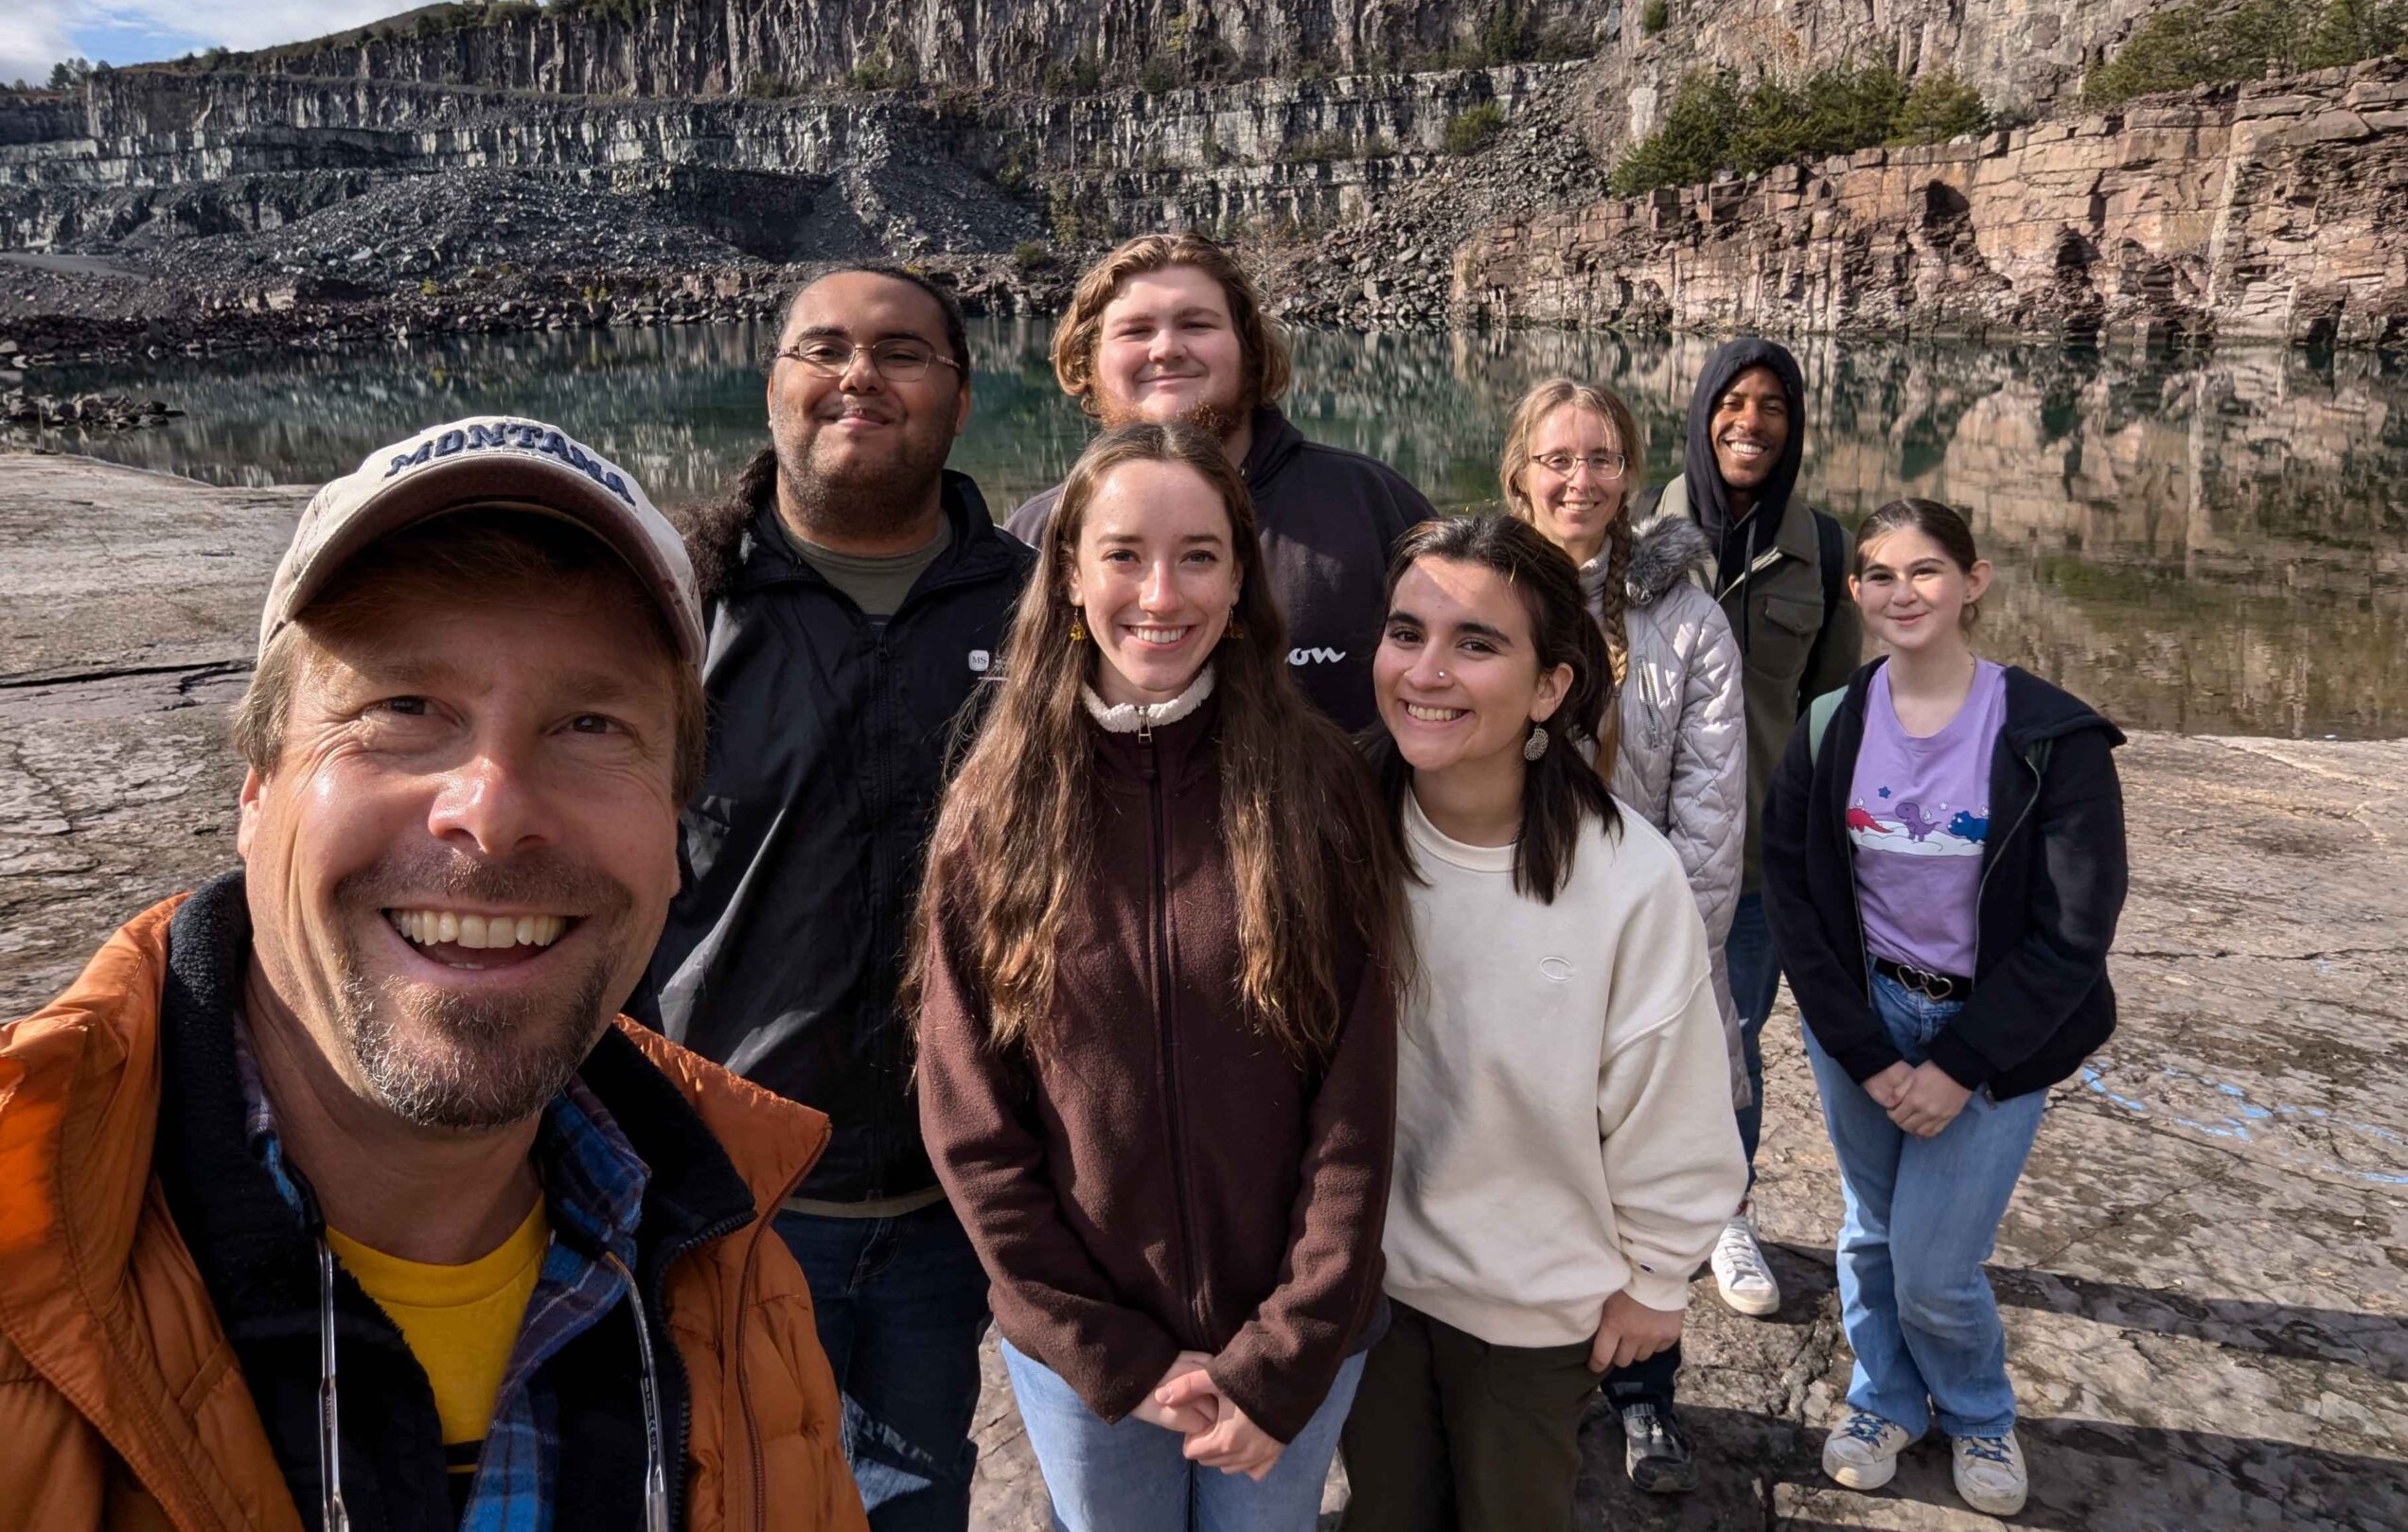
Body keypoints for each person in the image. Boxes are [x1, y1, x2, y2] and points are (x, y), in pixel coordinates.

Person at [0, 415, 864, 1532]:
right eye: (403, 710)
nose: (492, 812)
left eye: (591, 723)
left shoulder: (738, 1263)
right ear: (255, 791)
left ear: (672, 823)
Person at [914, 421, 1404, 1532]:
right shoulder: (995, 808)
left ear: (1241, 581)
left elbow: (1357, 1107)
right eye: (1125, 552)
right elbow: (972, 1126)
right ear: (1071, 575)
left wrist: (1286, 1354)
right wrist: (1112, 1356)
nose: (1159, 592)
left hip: (1291, 1349)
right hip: (1086, 1364)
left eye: (1198, 555)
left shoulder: (1316, 788)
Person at [631, 268, 1033, 1531]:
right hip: (731, 1201)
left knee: (918, 1494)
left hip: (947, 1196)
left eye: (903, 352)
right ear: (774, 385)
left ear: (961, 398)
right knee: (730, 1493)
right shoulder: (672, 603)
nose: (861, 374)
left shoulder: (1038, 615)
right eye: (826, 348)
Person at [1338, 514, 1746, 1532]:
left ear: (1552, 685)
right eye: (1405, 632)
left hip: (1533, 1309)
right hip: (1366, 1284)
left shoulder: (1625, 875)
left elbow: (1670, 1094)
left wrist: (1657, 1276)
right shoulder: (1334, 823)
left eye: (1477, 643)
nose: (1426, 671)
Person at [1763, 499, 2127, 1519]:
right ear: (1855, 594)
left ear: (1974, 582)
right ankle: (1885, 1400)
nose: (1901, 593)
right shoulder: (1832, 725)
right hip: (1868, 1021)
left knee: (1933, 1265)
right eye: (1878, 575)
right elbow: (1795, 894)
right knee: (1871, 1231)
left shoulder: (2051, 737)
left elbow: (2074, 930)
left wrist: (1961, 1061)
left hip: (1995, 1036)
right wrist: (1863, 1049)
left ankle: (1977, 1411)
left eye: (1925, 571)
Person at [1500, 379, 1747, 1495]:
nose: (1579, 481)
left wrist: (1678, 970)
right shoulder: (1480, 589)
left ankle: (1645, 1393)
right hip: (1501, 929)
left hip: (1635, 943)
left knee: (1639, 1161)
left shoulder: (1686, 619)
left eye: (1600, 459)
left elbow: (1708, 807)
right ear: (1519, 473)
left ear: (1629, 473)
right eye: (1557, 460)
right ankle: (1521, 1376)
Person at [1004, 231, 1433, 731]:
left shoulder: (1372, 504)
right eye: (1135, 330)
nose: (1166, 349)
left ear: (1249, 349)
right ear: (1090, 360)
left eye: (1196, 324)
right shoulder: (1038, 533)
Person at [1647, 337, 1863, 1312]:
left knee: (1730, 1034)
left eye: (1773, 405)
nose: (1751, 422)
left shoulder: (1822, 546)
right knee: (1618, 1035)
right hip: (1637, 849)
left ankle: (1726, 1216)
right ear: (1700, 412)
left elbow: (1834, 713)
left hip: (1755, 861)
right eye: (1733, 401)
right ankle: (1627, 1209)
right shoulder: (1643, 533)